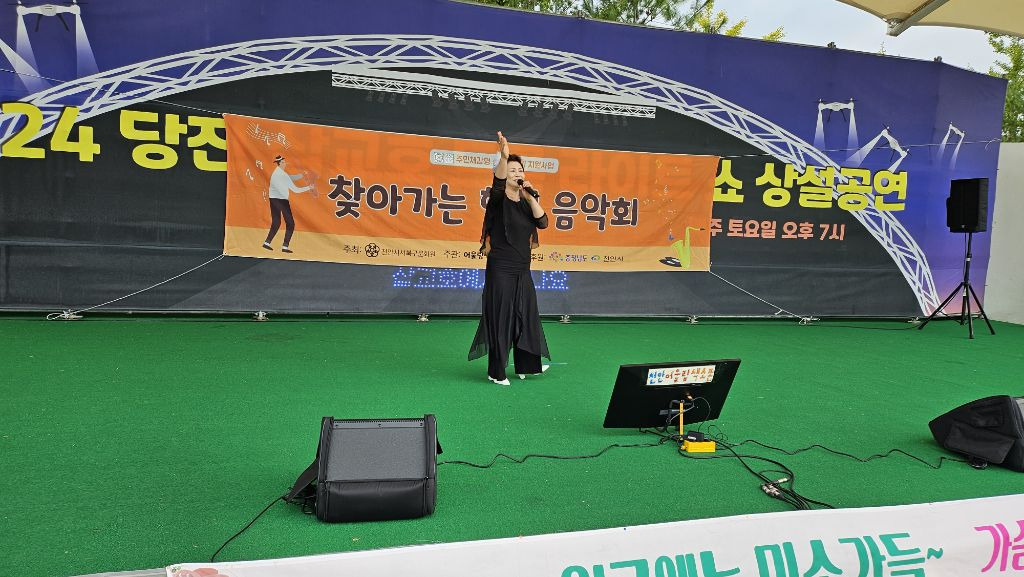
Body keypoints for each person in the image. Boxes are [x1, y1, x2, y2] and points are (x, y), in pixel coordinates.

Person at [468, 132, 551, 386]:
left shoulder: (526, 202)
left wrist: (530, 196)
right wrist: (504, 157)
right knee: (501, 318)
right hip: (501, 269)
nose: (517, 174)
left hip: (522, 269)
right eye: (512, 170)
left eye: (520, 170)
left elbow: (543, 222)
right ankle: (496, 372)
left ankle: (527, 366)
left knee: (527, 315)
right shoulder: (498, 200)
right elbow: (498, 182)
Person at [263, 155, 312, 253]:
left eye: (285, 162)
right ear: (279, 163)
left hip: (273, 199)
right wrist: (309, 187)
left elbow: (290, 178)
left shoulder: (277, 172)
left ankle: (267, 243)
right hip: (282, 200)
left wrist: (302, 175)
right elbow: (296, 190)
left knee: (276, 222)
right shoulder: (282, 175)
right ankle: (285, 246)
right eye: (283, 162)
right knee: (290, 224)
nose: (285, 164)